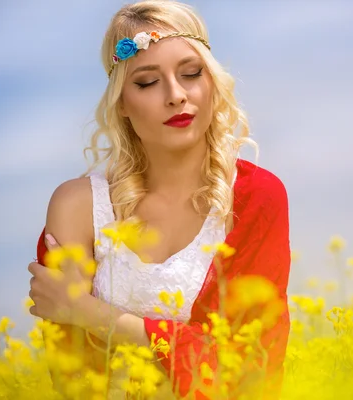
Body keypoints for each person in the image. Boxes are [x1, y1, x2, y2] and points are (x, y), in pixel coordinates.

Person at [26, 0, 291, 398]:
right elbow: (74, 377)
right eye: (147, 82)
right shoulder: (78, 207)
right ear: (122, 105)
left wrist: (89, 312)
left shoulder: (257, 198)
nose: (176, 95)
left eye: (191, 73)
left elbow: (248, 373)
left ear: (213, 83)